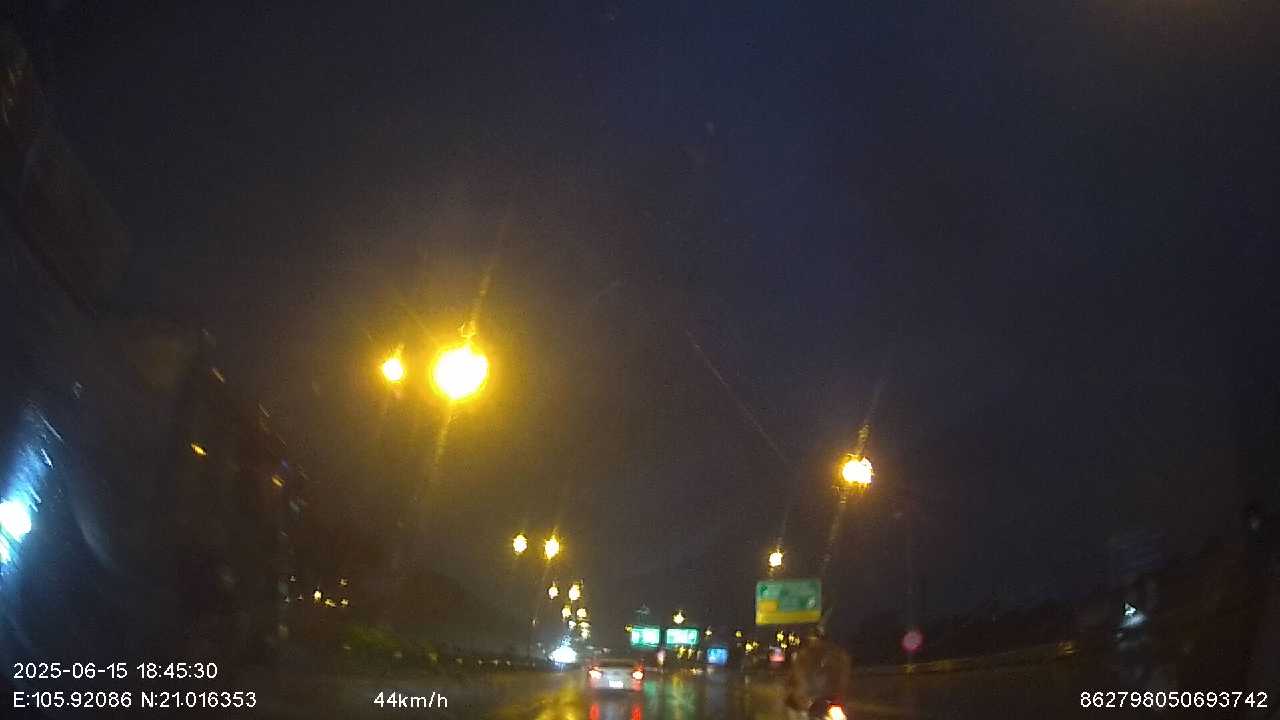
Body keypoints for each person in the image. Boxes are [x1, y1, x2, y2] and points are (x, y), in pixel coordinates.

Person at [785, 626, 852, 717]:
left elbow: (844, 673)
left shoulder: (804, 655)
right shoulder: (836, 654)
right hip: (819, 696)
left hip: (822, 696)